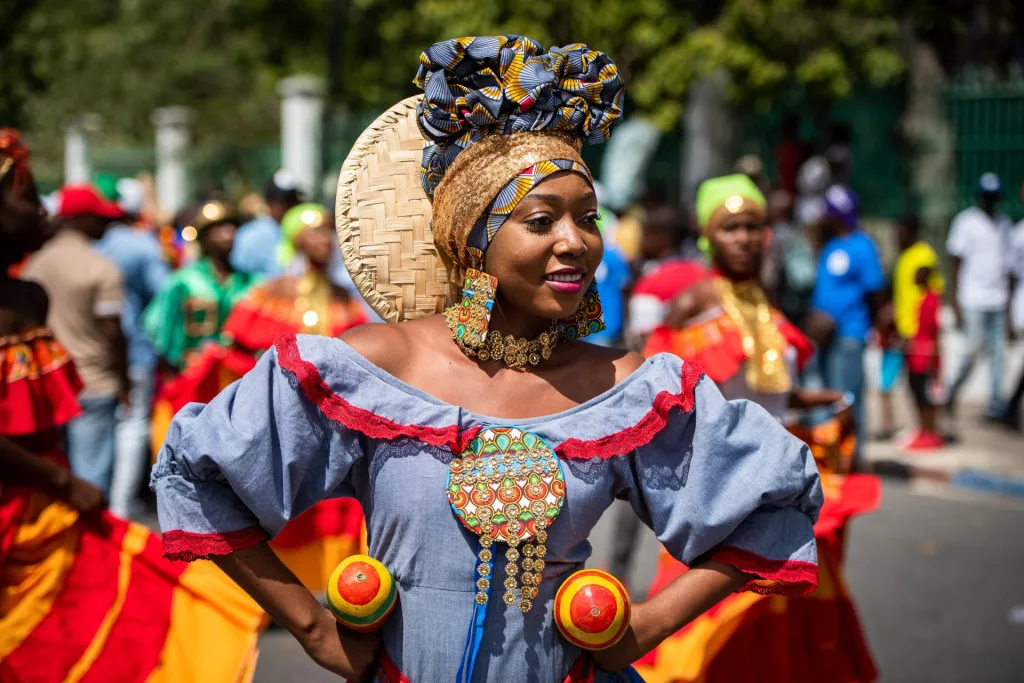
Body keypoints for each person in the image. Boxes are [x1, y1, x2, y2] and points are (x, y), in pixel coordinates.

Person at [151, 36, 822, 682]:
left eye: (587, 218)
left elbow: (777, 494)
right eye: (541, 221)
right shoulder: (371, 367)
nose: (576, 243)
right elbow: (198, 473)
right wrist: (315, 629)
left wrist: (640, 630)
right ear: (472, 240)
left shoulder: (627, 386)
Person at [0, 128, 267, 683]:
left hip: (49, 501)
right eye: (28, 195)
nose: (40, 205)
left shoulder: (30, 293)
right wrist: (66, 483)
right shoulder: (167, 278)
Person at [637, 174, 878, 683]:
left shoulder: (761, 302)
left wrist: (831, 401)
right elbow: (668, 404)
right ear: (707, 236)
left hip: (785, 477)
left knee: (785, 613)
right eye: (730, 228)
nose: (744, 238)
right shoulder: (693, 306)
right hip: (724, 486)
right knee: (713, 622)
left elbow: (768, 393)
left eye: (753, 226)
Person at [22, 184, 129, 494]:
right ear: (79, 219)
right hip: (94, 383)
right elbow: (112, 332)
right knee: (92, 479)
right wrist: (123, 380)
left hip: (49, 385)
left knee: (57, 474)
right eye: (98, 218)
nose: (104, 226)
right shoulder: (100, 267)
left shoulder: (34, 265)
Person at [95, 183, 169, 517]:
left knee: (102, 427)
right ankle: (120, 508)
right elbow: (166, 293)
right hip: (134, 351)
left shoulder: (92, 244)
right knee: (132, 425)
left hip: (90, 355)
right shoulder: (140, 247)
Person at [807, 184, 884, 459]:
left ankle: (854, 458)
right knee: (826, 399)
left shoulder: (862, 245)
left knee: (847, 400)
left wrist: (869, 328)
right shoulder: (829, 245)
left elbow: (875, 291)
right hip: (823, 339)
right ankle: (831, 457)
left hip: (848, 335)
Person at [142, 200, 256, 374]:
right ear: (204, 237)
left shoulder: (251, 282)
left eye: (232, 227)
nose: (229, 234)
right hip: (193, 375)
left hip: (239, 376)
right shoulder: (183, 281)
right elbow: (160, 329)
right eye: (219, 228)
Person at [945, 172, 1014, 419]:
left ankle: (995, 408)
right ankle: (951, 390)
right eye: (987, 197)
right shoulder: (966, 223)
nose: (990, 202)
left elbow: (1009, 269)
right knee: (972, 351)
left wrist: (1008, 308)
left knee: (998, 355)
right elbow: (955, 263)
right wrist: (954, 303)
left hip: (997, 300)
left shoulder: (1005, 225)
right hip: (972, 299)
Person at [625, 206, 708, 348]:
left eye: (646, 235)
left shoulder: (650, 283)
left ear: (660, 238)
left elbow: (643, 340)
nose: (641, 241)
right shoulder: (703, 273)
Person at [230, 170, 302, 277]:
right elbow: (240, 275)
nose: (291, 206)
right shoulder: (250, 235)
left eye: (293, 200)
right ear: (269, 203)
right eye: (284, 201)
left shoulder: (305, 231)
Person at [904, 266, 945, 449]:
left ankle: (931, 432)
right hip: (916, 354)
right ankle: (922, 430)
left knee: (927, 397)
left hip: (925, 356)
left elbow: (935, 331)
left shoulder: (932, 300)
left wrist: (933, 359)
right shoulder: (921, 298)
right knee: (917, 394)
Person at [997, 186, 1024, 431]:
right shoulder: (1018, 234)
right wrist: (1007, 316)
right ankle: (1010, 408)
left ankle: (1010, 407)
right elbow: (1010, 277)